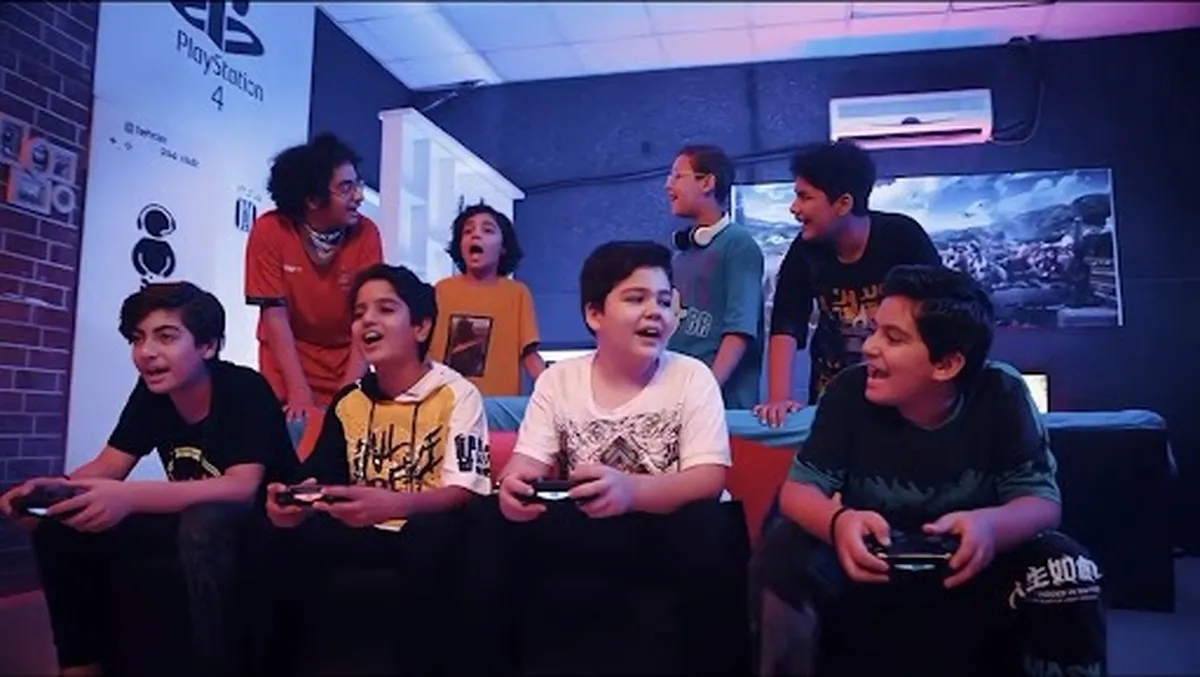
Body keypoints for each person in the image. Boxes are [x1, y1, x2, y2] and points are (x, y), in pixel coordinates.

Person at [752, 265, 1106, 677]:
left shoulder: (1002, 392)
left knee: (1068, 568)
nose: (869, 347)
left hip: (975, 569)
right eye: (874, 331)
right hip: (871, 567)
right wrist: (839, 522)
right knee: (782, 553)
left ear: (947, 364)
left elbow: (1041, 503)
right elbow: (798, 492)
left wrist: (990, 527)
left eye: (893, 338)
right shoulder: (849, 391)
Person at [465, 241, 750, 675]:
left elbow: (708, 479)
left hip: (664, 527)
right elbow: (527, 463)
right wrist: (512, 487)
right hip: (586, 523)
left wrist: (630, 491)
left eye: (665, 301)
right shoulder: (560, 380)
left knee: (710, 523)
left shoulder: (692, 377)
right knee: (487, 517)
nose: (655, 312)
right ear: (595, 314)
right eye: (636, 299)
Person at [0, 282, 293, 676]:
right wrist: (53, 491)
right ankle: (81, 664)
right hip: (193, 523)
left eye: (166, 337)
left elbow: (240, 488)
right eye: (138, 339)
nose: (146, 352)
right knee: (64, 522)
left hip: (263, 525)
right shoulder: (152, 393)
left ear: (207, 346)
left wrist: (127, 497)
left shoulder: (244, 388)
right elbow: (108, 466)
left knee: (202, 522)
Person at [264, 263, 492, 674]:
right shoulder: (348, 400)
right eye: (359, 313)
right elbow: (322, 475)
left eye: (385, 309)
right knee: (267, 537)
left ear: (420, 327)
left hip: (425, 529)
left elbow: (465, 491)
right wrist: (293, 501)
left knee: (436, 534)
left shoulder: (457, 394)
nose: (367, 320)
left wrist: (393, 504)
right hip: (360, 528)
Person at [755, 140, 942, 427]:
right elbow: (786, 323)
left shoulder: (903, 238)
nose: (794, 208)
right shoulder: (804, 251)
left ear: (843, 203)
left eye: (805, 197)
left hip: (899, 392)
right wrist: (778, 400)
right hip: (833, 394)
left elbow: (940, 312)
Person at [245, 132, 383, 426]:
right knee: (290, 437)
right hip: (286, 365)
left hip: (346, 361)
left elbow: (367, 318)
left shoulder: (367, 233)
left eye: (357, 184)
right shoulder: (270, 230)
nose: (359, 196)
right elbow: (274, 316)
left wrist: (347, 392)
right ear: (312, 199)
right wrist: (298, 391)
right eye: (346, 188)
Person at [665, 144, 765, 410]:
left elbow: (739, 330)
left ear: (707, 182)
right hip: (681, 399)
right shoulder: (684, 251)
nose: (668, 185)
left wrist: (706, 392)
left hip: (720, 405)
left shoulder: (738, 245)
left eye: (677, 176)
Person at [428, 203, 545, 395]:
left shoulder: (517, 293)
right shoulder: (442, 290)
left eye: (488, 230)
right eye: (468, 231)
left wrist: (557, 392)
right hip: (445, 401)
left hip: (496, 405)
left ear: (503, 247)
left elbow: (529, 355)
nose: (476, 235)